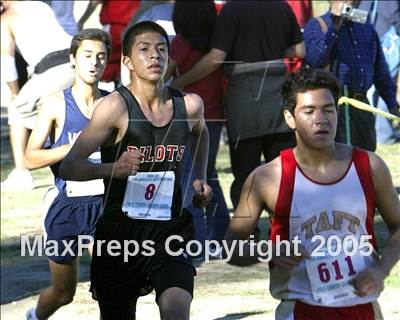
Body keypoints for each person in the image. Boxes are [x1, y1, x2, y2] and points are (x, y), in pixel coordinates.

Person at [59, 21, 212, 319]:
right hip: (120, 234)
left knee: (176, 310)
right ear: (127, 61)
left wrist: (200, 177)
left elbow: (201, 132)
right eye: (144, 50)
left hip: (170, 230)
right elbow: (69, 166)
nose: (155, 56)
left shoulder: (189, 106)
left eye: (162, 49)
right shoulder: (114, 107)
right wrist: (113, 169)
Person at [224, 67, 400, 320]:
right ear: (289, 118)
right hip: (299, 310)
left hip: (363, 309)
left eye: (328, 109)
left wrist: (381, 269)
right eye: (309, 111)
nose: (321, 119)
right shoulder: (266, 178)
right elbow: (230, 246)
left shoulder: (370, 166)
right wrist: (268, 251)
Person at [171, 0, 305, 213]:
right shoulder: (282, 6)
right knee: (284, 174)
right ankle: (285, 232)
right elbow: (300, 49)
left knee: (246, 177)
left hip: (244, 103)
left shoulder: (231, 10)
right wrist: (272, 50)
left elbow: (216, 58)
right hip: (278, 100)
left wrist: (180, 81)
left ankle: (247, 236)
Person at [24, 28, 111, 320]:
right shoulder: (56, 103)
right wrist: (72, 148)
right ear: (73, 59)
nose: (94, 62)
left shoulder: (115, 103)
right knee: (64, 292)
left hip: (105, 205)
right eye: (87, 55)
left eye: (100, 56)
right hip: (67, 205)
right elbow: (30, 158)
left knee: (111, 287)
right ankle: (35, 316)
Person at [166, 0, 230, 258]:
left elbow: (164, 75)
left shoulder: (180, 43)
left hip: (187, 118)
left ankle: (199, 242)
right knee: (207, 174)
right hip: (215, 115)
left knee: (194, 178)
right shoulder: (216, 41)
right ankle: (220, 235)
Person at [304, 0, 400, 151]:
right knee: (338, 164)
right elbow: (315, 59)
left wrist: (393, 106)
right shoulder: (317, 25)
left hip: (362, 108)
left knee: (365, 161)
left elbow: (381, 74)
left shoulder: (367, 29)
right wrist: (334, 28)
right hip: (335, 107)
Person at [1, 0, 74, 191]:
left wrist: (15, 93)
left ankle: (22, 173)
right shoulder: (41, 5)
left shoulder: (7, 18)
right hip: (75, 60)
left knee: (17, 111)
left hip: (50, 67)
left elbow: (7, 65)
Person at [359, 0, 400, 144]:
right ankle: (384, 134)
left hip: (373, 34)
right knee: (384, 86)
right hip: (387, 39)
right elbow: (392, 13)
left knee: (378, 87)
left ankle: (380, 132)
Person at [78, 0, 140, 86]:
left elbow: (94, 2)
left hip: (113, 25)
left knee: (106, 63)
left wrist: (82, 21)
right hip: (133, 26)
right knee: (127, 64)